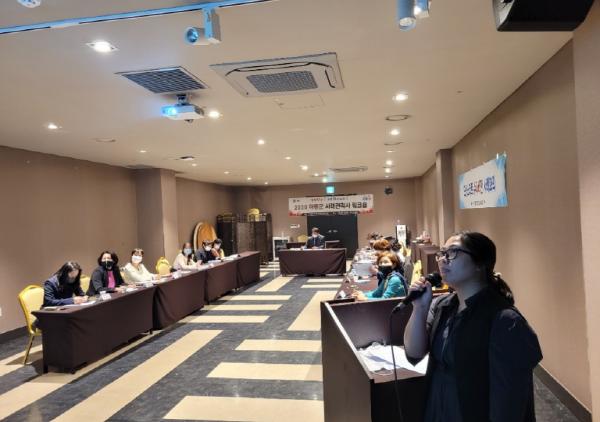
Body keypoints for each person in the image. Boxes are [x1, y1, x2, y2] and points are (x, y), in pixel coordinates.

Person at [403, 231, 542, 422]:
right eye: (442, 253)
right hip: (437, 408)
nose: (442, 259)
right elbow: (414, 353)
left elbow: (509, 402)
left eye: (452, 252)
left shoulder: (505, 321)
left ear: (479, 263)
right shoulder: (442, 305)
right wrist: (419, 308)